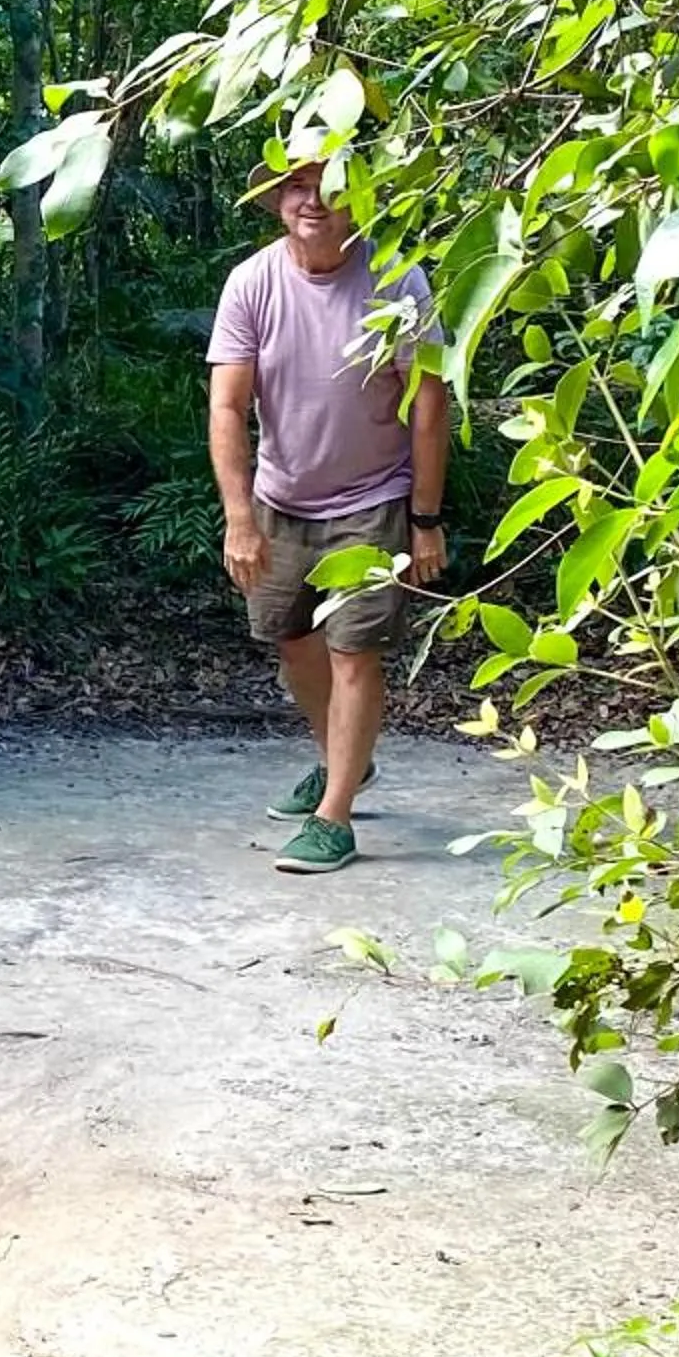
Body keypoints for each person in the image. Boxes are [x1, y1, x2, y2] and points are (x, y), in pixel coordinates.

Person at [208, 156, 448, 875]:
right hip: (282, 497)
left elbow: (430, 405)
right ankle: (344, 761)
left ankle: (334, 813)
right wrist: (238, 518)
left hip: (373, 497)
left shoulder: (397, 280)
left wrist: (425, 516)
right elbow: (227, 405)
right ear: (277, 198)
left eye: (331, 188)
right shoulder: (252, 282)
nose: (313, 201)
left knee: (354, 651)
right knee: (292, 641)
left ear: (361, 201)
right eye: (297, 186)